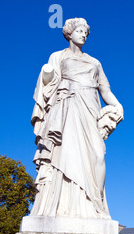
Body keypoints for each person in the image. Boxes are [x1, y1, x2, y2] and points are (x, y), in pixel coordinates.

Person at [30, 18, 123, 219]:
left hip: (89, 108)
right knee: (64, 154)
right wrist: (46, 74)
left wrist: (117, 105)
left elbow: (105, 91)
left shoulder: (95, 62)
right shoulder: (58, 56)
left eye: (86, 33)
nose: (83, 35)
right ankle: (59, 207)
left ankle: (96, 203)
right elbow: (48, 83)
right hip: (66, 107)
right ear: (69, 33)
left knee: (97, 155)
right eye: (80, 31)